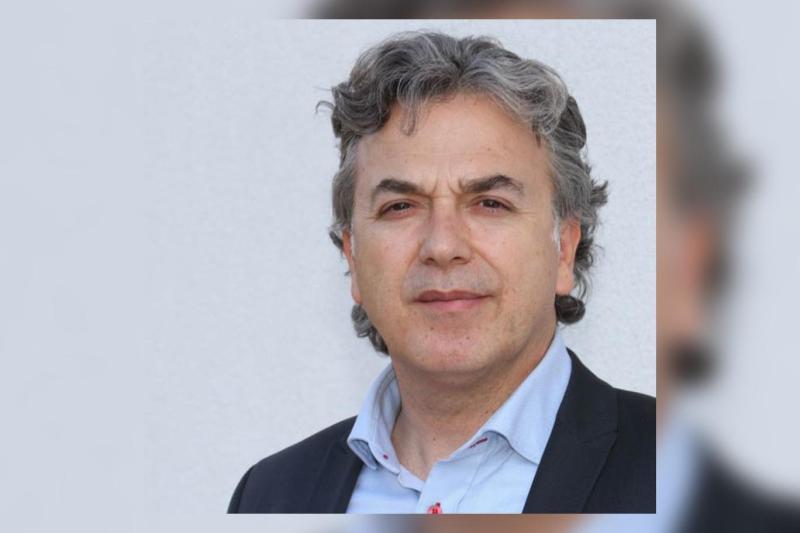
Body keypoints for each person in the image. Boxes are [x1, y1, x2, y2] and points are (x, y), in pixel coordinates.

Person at [228, 31, 655, 514]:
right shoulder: (268, 498)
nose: (443, 246)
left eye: (490, 203)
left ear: (564, 249)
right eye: (400, 206)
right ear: (353, 257)